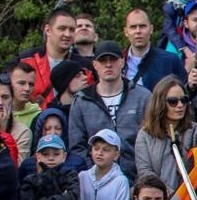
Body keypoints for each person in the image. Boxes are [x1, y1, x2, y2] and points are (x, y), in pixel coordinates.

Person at [63, 40, 148, 179]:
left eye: (113, 59)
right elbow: (77, 147)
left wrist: (144, 177)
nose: (108, 64)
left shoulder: (143, 97)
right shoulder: (81, 100)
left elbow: (152, 141)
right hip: (96, 181)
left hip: (137, 180)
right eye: (103, 60)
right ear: (95, 65)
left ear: (122, 62)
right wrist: (95, 174)